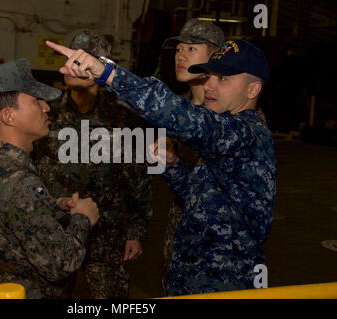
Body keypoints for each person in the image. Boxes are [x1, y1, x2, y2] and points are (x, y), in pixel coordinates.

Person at [45, 38, 276, 296]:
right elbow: (200, 199)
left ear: (253, 89)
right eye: (209, 75)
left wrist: (107, 73)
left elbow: (178, 113)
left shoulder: (246, 135)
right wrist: (174, 165)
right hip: (191, 279)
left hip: (222, 286)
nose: (209, 84)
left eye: (223, 79)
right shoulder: (227, 136)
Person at [32, 30, 153, 299]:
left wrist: (135, 231)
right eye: (70, 58)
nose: (72, 66)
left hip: (105, 237)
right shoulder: (46, 110)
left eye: (81, 60)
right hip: (56, 232)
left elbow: (137, 177)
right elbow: (29, 168)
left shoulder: (121, 115)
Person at [0, 58, 100, 299]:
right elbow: (61, 264)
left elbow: (14, 224)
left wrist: (54, 205)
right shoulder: (20, 181)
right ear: (9, 116)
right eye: (35, 101)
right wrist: (83, 218)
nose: (46, 107)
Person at [159, 19, 224, 292]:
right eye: (178, 49)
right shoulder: (180, 108)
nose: (181, 56)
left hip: (218, 241)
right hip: (179, 229)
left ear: (217, 57)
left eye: (191, 49)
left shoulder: (231, 112)